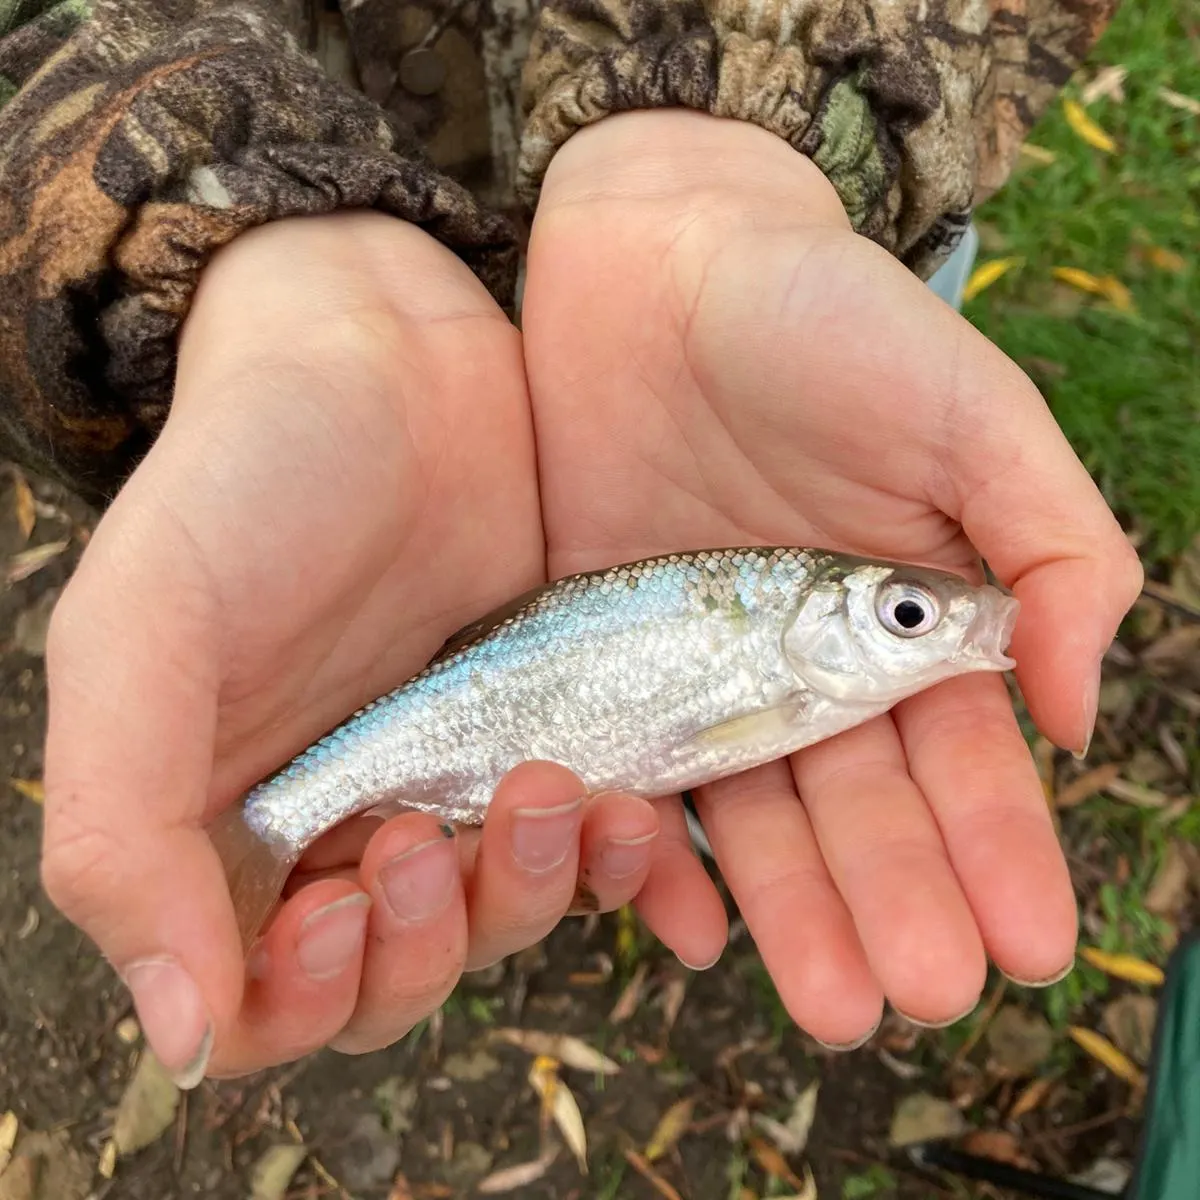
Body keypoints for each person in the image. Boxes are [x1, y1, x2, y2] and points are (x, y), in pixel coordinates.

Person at [0, 0, 1141, 1089]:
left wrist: (720, 159)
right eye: (908, 617)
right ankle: (302, 826)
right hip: (328, 179)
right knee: (599, 827)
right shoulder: (799, 674)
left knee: (605, 828)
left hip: (787, 174)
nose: (932, 622)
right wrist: (237, 243)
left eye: (912, 615)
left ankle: (606, 821)